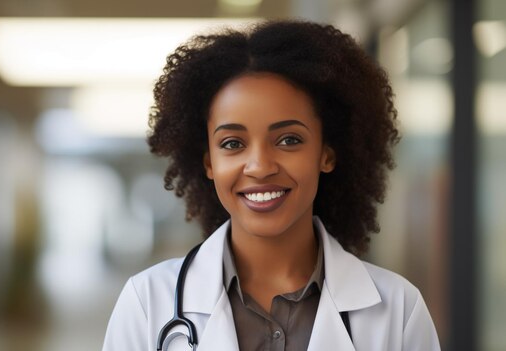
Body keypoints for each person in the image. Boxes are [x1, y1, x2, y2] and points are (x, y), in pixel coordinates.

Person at [102, 19, 440, 350]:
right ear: (208, 163)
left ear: (327, 154)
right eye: (232, 143)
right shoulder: (147, 304)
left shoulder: (399, 311)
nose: (260, 167)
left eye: (289, 139)